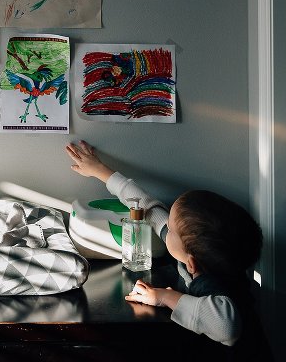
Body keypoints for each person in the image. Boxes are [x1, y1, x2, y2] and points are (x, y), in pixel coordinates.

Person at [65, 141, 272, 360]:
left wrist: (164, 296)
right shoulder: (205, 254)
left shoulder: (212, 285)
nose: (165, 227)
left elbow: (226, 327)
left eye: (171, 229)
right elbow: (149, 208)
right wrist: (100, 171)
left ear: (191, 263)